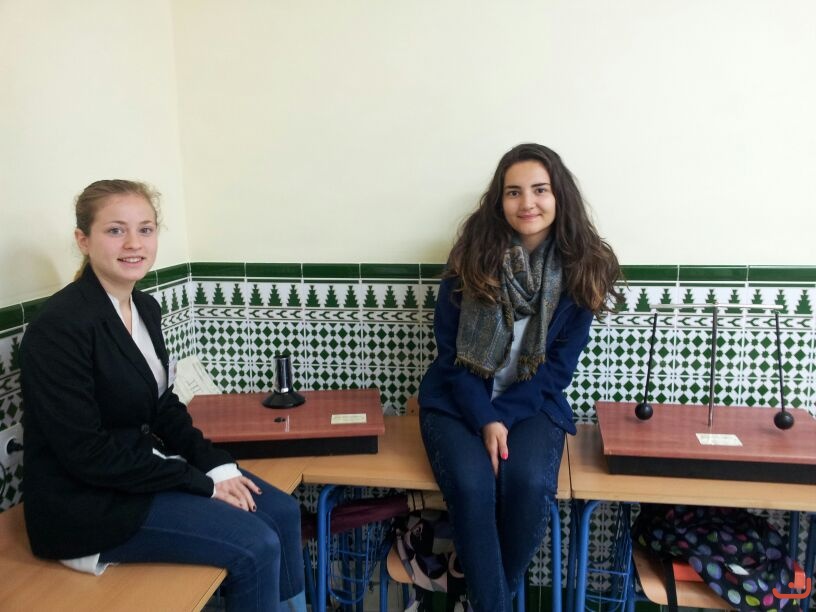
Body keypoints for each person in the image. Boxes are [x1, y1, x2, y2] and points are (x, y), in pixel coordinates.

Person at [20, 180, 306, 612]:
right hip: (86, 506)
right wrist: (200, 483)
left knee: (282, 511)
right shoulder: (59, 328)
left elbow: (163, 406)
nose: (134, 243)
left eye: (145, 229)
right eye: (115, 230)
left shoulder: (144, 308)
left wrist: (217, 466)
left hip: (137, 475)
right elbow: (86, 455)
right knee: (256, 544)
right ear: (83, 240)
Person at [418, 144, 621, 611]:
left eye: (539, 190)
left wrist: (502, 418)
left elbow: (557, 371)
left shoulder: (584, 269)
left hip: (533, 403)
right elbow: (452, 357)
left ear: (559, 196)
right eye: (513, 192)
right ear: (499, 201)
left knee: (528, 483)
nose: (527, 203)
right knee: (473, 486)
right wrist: (485, 419)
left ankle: (477, 600)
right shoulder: (469, 260)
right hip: (456, 400)